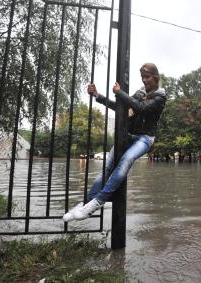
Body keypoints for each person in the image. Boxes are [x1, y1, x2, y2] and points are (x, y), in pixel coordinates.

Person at [63, 63, 166, 221]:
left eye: (147, 77)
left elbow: (142, 109)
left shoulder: (160, 97)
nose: (144, 80)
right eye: (142, 77)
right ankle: (86, 204)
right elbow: (122, 110)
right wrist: (98, 95)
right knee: (107, 168)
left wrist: (120, 93)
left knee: (127, 159)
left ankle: (98, 201)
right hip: (128, 135)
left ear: (155, 77)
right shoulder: (139, 93)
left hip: (145, 138)